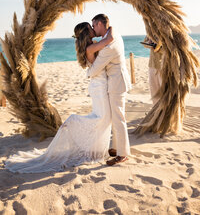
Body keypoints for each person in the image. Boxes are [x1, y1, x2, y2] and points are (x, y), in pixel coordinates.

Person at [5, 22, 114, 173]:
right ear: (86, 33)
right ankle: (72, 122)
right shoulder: (90, 47)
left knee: (103, 118)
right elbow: (109, 40)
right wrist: (109, 27)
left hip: (98, 86)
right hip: (99, 88)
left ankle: (95, 149)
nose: (93, 28)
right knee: (102, 118)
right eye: (91, 27)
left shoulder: (91, 45)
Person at [87, 14, 131, 166]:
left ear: (100, 24)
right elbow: (105, 38)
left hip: (117, 83)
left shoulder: (109, 47)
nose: (93, 29)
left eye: (94, 26)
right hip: (119, 80)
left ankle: (123, 154)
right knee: (117, 116)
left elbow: (94, 70)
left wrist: (88, 72)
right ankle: (116, 148)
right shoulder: (114, 34)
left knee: (119, 118)